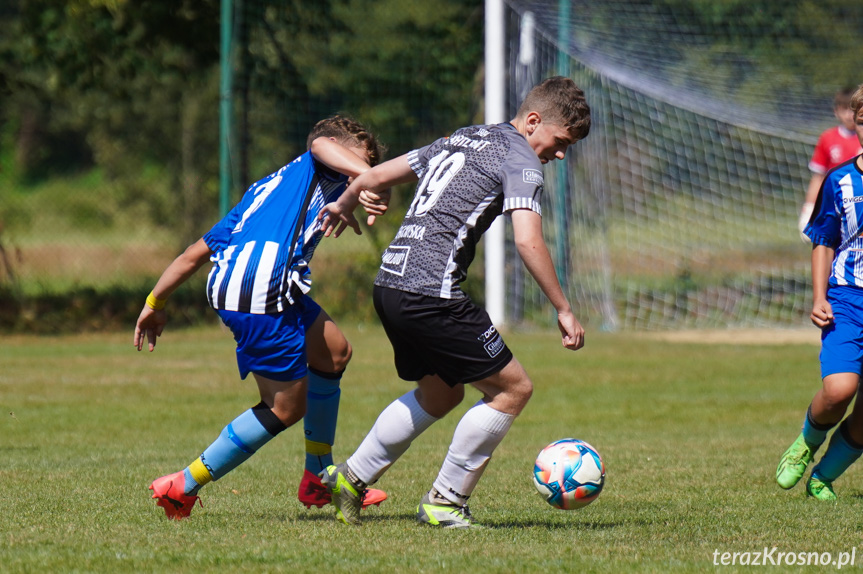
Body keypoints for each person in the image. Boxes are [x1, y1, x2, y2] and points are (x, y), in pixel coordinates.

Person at [317, 76, 590, 528]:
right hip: (430, 292)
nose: (559, 154)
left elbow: (378, 176)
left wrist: (344, 202)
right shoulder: (522, 159)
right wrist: (563, 307)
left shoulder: (464, 137)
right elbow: (528, 240)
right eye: (560, 141)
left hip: (389, 284)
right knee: (512, 389)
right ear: (534, 121)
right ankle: (445, 501)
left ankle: (351, 479)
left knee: (441, 392)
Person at [134, 115, 387, 519]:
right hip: (259, 288)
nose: (368, 166)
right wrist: (374, 176)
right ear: (338, 146)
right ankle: (184, 483)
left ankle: (317, 476)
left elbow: (193, 254)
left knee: (335, 353)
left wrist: (155, 302)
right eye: (363, 156)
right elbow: (322, 145)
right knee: (285, 407)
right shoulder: (319, 158)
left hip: (265, 285)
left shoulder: (268, 191)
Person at [776, 83, 863, 500]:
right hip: (848, 297)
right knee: (839, 390)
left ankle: (823, 477)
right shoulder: (841, 180)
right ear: (854, 122)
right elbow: (824, 240)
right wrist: (818, 297)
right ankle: (805, 445)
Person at [798, 87, 862, 241]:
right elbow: (818, 177)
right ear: (836, 111)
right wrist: (809, 208)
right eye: (844, 109)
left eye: (851, 110)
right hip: (835, 203)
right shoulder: (827, 138)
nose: (848, 115)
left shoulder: (860, 139)